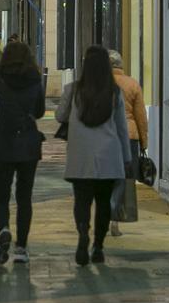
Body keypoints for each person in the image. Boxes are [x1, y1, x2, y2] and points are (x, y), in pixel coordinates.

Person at [57, 46, 132, 266]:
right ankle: (98, 246)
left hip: (81, 158)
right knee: (103, 203)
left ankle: (82, 234)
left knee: (82, 201)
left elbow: (61, 115)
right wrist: (127, 159)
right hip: (108, 157)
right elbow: (121, 129)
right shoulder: (114, 93)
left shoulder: (73, 90)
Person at [0, 42, 46, 265]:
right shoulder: (35, 82)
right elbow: (39, 112)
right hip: (28, 145)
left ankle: (3, 229)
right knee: (24, 198)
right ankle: (21, 248)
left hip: (1, 145)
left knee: (0, 195)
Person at [108, 50, 149, 237]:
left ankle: (107, 212)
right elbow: (141, 117)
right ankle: (117, 216)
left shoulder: (101, 84)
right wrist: (144, 142)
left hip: (106, 135)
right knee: (124, 176)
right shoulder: (132, 84)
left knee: (106, 176)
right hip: (129, 136)